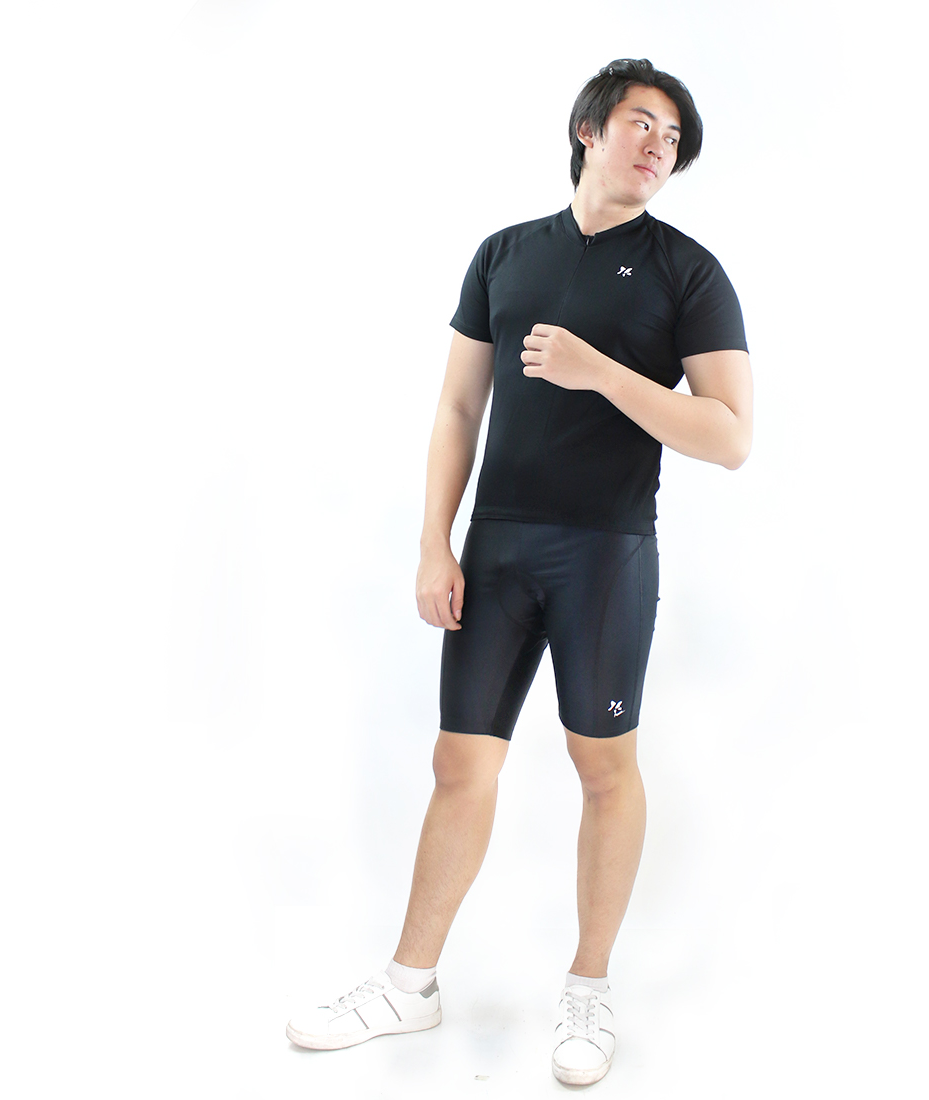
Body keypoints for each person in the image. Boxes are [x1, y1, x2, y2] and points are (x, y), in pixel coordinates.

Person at [286, 58, 752, 1087]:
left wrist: (600, 372)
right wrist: (433, 540)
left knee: (602, 767)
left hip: (605, 554)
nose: (657, 147)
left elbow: (729, 435)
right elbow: (459, 406)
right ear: (589, 128)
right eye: (641, 123)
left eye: (673, 139)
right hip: (496, 549)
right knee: (460, 762)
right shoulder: (503, 254)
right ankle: (409, 982)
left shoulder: (687, 272)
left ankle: (587, 988)